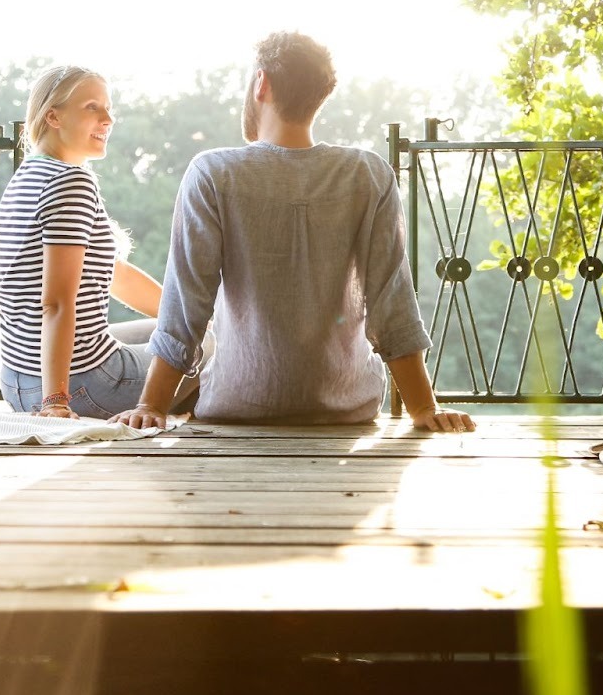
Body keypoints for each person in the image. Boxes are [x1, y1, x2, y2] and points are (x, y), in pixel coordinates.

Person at [111, 32, 474, 433]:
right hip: (348, 407)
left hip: (238, 405)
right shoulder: (369, 174)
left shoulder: (213, 173)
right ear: (320, 95)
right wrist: (423, 408)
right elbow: (393, 301)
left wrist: (152, 405)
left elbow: (186, 305)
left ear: (261, 83)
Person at [0, 65, 188, 419]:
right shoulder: (71, 183)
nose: (108, 119)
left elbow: (113, 274)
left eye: (108, 107)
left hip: (17, 382)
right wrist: (55, 402)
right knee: (209, 344)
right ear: (53, 116)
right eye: (92, 107)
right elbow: (55, 303)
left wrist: (184, 316)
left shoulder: (27, 175)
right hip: (80, 386)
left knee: (183, 328)